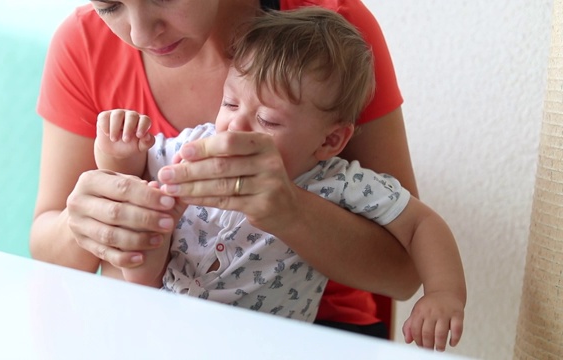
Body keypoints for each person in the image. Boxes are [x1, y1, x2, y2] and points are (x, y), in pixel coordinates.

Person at [30, 0, 421, 343]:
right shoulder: (82, 44)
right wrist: (84, 222)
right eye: (109, 4)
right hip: (154, 329)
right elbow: (47, 247)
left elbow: (405, 272)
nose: (139, 32)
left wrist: (291, 211)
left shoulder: (330, 35)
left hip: (313, 332)